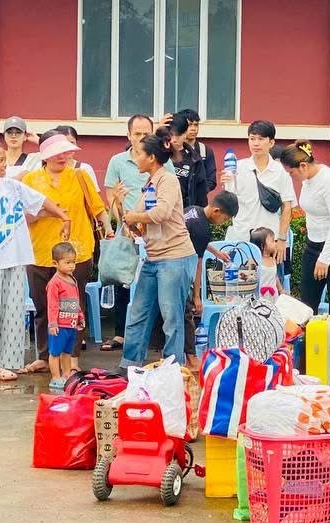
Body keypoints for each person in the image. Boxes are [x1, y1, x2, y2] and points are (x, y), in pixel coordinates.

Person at [0, 140, 69, 384]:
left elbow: (41, 201)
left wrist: (63, 216)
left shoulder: (12, 187)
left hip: (17, 258)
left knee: (12, 312)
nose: (4, 165)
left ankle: (5, 363)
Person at [24, 131, 112, 372]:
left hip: (77, 252)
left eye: (65, 151)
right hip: (41, 253)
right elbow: (23, 216)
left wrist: (109, 227)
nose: (62, 156)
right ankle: (45, 355)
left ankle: (72, 357)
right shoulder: (30, 180)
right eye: (56, 153)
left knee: (73, 306)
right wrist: (47, 213)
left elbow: (97, 207)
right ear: (44, 155)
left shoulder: (80, 175)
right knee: (43, 306)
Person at [118, 127, 198, 367]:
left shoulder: (168, 180)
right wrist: (130, 220)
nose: (136, 159)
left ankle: (173, 367)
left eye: (139, 154)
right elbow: (141, 218)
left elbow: (162, 213)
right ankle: (129, 365)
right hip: (154, 258)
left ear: (151, 157)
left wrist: (136, 218)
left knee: (171, 317)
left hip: (175, 257)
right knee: (138, 313)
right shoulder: (150, 183)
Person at [100, 115, 174, 353]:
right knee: (124, 280)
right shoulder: (117, 161)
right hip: (128, 229)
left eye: (146, 133)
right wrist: (124, 217)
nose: (142, 138)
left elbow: (167, 198)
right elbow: (111, 196)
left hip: (156, 232)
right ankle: (121, 334)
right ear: (128, 135)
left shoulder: (163, 162)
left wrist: (139, 219)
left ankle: (156, 337)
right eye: (137, 133)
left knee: (155, 285)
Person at [280, 141, 330, 317]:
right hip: (313, 244)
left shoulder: (328, 181)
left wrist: (325, 258)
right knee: (307, 304)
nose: (290, 177)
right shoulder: (307, 179)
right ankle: (309, 343)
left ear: (302, 166)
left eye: (291, 173)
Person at [224, 120, 295, 263]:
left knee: (272, 283)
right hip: (243, 239)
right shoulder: (237, 168)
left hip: (270, 242)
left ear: (271, 142)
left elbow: (287, 207)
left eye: (261, 139)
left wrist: (281, 239)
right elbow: (228, 202)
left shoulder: (280, 171)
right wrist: (226, 183)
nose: (255, 143)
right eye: (252, 139)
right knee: (244, 282)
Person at [182, 190, 238, 356]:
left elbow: (197, 239)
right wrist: (197, 296)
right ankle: (191, 357)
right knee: (187, 315)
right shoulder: (203, 228)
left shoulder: (193, 210)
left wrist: (217, 253)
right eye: (225, 219)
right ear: (216, 211)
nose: (223, 223)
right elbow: (199, 264)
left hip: (164, 260)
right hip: (180, 270)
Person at [46, 242, 86, 391]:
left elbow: (76, 301)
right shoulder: (54, 283)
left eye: (73, 262)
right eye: (67, 262)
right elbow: (52, 305)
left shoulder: (73, 280)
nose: (71, 266)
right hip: (59, 325)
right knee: (55, 352)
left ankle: (67, 375)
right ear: (55, 263)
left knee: (67, 352)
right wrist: (52, 323)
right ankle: (55, 377)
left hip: (71, 324)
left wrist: (80, 316)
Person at [170, 111, 210, 210]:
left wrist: (200, 216)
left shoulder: (195, 159)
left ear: (184, 134)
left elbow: (201, 193)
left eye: (178, 134)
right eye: (171, 135)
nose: (174, 139)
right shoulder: (158, 155)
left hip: (186, 212)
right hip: (162, 212)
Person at [181, 109, 217, 193]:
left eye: (196, 125)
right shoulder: (174, 150)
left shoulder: (206, 150)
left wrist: (199, 192)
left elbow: (211, 180)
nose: (193, 129)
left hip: (200, 203)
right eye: (190, 125)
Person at [2, 116, 42, 181]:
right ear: (4, 135)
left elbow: (58, 152)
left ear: (25, 136)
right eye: (9, 132)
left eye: (18, 132)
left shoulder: (32, 159)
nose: (13, 136)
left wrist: (39, 140)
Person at [249, 225, 282, 296]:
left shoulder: (272, 260)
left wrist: (280, 289)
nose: (275, 243)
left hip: (273, 294)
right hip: (260, 295)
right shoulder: (256, 262)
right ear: (262, 246)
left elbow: (275, 276)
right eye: (272, 241)